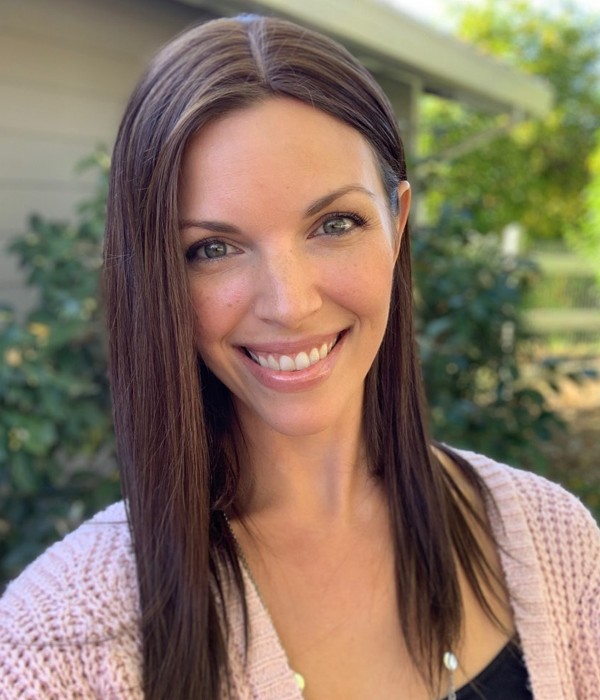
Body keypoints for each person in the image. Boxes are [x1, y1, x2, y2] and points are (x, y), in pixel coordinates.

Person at [1, 14, 598, 700]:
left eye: (334, 224)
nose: (289, 305)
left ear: (398, 224)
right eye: (213, 248)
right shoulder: (53, 643)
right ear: (158, 274)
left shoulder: (554, 543)